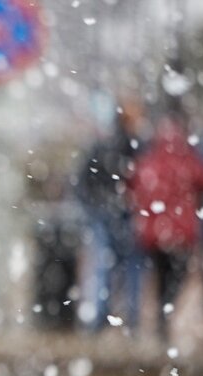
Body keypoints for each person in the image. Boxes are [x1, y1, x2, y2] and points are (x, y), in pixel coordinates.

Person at [129, 114, 203, 340]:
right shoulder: (189, 160)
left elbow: (135, 189)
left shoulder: (149, 160)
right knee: (177, 274)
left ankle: (161, 314)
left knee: (160, 274)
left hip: (154, 234)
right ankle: (166, 309)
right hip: (181, 233)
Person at [74, 98, 143, 332]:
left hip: (106, 212)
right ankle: (131, 320)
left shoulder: (103, 144)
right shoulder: (136, 147)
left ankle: (100, 319)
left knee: (103, 265)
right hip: (123, 213)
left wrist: (93, 206)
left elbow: (82, 181)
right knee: (130, 267)